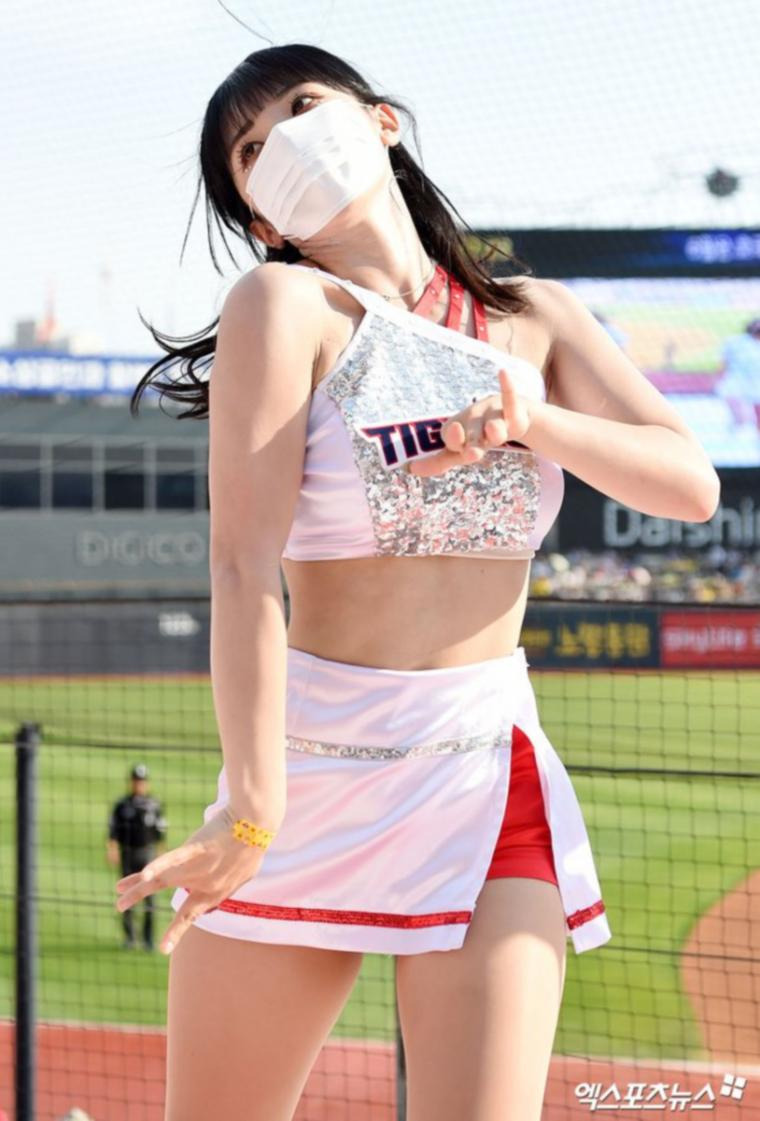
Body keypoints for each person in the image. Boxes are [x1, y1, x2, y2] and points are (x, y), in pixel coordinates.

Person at [123, 44, 721, 1121]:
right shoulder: (283, 303)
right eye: (250, 149)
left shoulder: (534, 316)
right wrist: (251, 808)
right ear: (258, 214)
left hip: (480, 769)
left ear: (381, 119)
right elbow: (243, 567)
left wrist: (534, 418)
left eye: (305, 105)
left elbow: (689, 483)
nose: (286, 141)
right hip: (309, 777)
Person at [107, 764, 167, 951]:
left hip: (147, 854)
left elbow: (160, 833)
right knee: (127, 895)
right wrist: (112, 849)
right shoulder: (122, 805)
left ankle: (148, 939)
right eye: (135, 780)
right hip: (127, 853)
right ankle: (130, 937)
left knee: (150, 898)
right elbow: (113, 830)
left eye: (141, 781)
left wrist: (161, 855)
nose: (138, 784)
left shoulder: (154, 805)